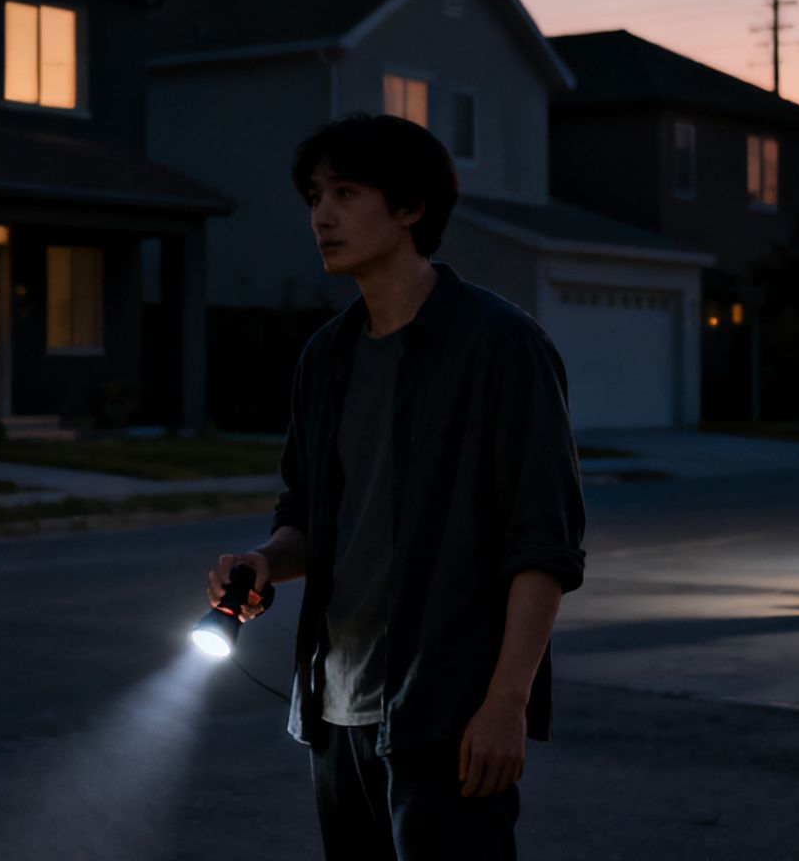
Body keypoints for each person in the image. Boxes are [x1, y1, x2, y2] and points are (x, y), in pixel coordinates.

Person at [205, 112, 586, 860]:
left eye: (346, 193)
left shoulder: (501, 346)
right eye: (314, 195)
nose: (322, 215)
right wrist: (259, 561)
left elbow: (543, 543)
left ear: (411, 208)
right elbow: (307, 519)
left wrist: (506, 703)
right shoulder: (327, 357)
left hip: (448, 714)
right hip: (334, 711)